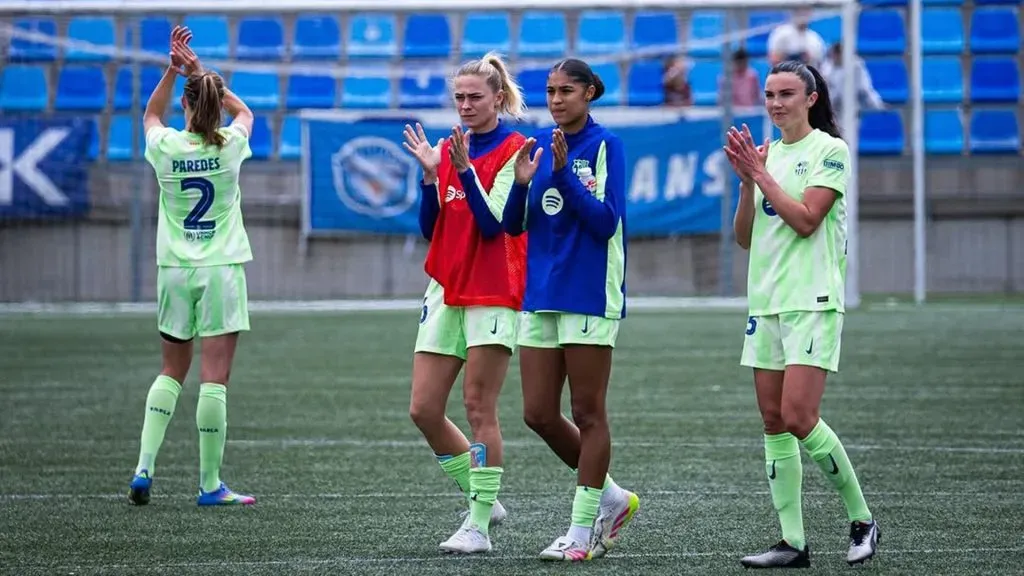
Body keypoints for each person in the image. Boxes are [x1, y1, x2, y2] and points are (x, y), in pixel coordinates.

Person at [725, 59, 880, 568]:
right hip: (765, 302)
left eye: (786, 93)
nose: (774, 103)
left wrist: (760, 173)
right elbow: (744, 238)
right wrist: (748, 183)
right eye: (769, 94)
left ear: (811, 99)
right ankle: (792, 541)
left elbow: (807, 221)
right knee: (773, 421)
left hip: (811, 301)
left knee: (798, 417)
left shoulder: (830, 150)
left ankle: (862, 518)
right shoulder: (765, 156)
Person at [503, 58, 639, 562]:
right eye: (550, 91)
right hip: (541, 291)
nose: (556, 99)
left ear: (590, 93)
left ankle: (581, 535)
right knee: (537, 413)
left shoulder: (607, 145)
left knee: (587, 411)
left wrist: (564, 177)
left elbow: (606, 223)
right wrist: (521, 185)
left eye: (566, 90)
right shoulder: (535, 145)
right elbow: (514, 226)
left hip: (589, 291)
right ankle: (612, 498)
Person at [401, 51, 528, 554]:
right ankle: (484, 500)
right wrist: (431, 179)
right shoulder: (451, 148)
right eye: (459, 97)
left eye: (475, 97)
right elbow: (432, 228)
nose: (466, 105)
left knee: (480, 408)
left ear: (498, 98)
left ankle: (477, 527)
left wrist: (463, 171)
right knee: (424, 408)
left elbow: (495, 222)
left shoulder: (517, 148)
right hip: (446, 288)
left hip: (493, 289)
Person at [127, 27, 257, 507]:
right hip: (221, 268)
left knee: (170, 369)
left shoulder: (165, 148)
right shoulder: (229, 147)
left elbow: (149, 113)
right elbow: (245, 112)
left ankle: (144, 466)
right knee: (213, 376)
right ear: (213, 103)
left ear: (185, 106)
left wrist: (173, 69)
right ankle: (208, 485)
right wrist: (204, 76)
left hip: (174, 270)